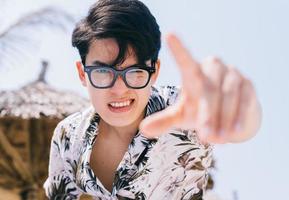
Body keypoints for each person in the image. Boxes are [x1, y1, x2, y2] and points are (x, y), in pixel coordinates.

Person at [43, 0, 262, 199]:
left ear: (154, 71)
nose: (119, 89)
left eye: (135, 71)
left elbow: (244, 127)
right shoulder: (68, 135)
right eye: (103, 71)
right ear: (83, 74)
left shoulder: (184, 108)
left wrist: (243, 108)